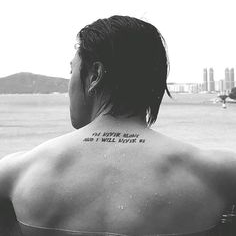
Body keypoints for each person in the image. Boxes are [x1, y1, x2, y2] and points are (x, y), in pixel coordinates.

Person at [0, 15, 236, 236]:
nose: (69, 84)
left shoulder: (16, 173)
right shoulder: (219, 174)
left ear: (95, 75)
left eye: (72, 70)